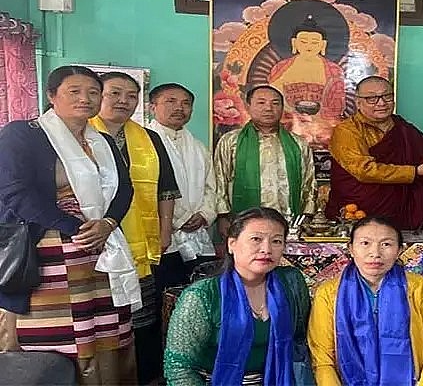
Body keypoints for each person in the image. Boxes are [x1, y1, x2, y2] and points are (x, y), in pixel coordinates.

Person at [0, 65, 138, 384]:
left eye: (93, 92)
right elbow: (13, 191)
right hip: (47, 248)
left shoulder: (102, 140)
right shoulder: (23, 134)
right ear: (52, 96)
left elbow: (125, 188)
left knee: (101, 327)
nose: (85, 99)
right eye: (74, 92)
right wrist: (74, 227)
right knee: (58, 334)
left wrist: (108, 222)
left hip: (100, 249)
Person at [89, 71, 181, 384]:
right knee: (100, 313)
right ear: (98, 95)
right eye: (115, 93)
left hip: (140, 240)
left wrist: (165, 228)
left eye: (131, 95)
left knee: (140, 314)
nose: (124, 101)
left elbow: (166, 189)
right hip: (95, 240)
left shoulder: (148, 139)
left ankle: (142, 375)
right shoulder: (80, 135)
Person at [164, 207, 311, 385]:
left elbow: (299, 341)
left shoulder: (291, 282)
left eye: (277, 241)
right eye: (256, 239)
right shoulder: (201, 296)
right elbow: (179, 368)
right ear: (231, 244)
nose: (266, 249)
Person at [308, 216, 423, 385]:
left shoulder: (419, 288)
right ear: (351, 249)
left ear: (400, 249)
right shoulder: (328, 293)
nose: (375, 253)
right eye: (365, 243)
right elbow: (322, 357)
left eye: (386, 244)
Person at [326, 76, 423, 230]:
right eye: (372, 98)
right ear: (358, 102)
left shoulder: (404, 129)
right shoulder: (347, 131)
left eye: (387, 96)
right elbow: (365, 170)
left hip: (403, 212)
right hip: (360, 213)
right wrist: (415, 171)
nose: (381, 103)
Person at [214, 85, 317, 239]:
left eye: (275, 103)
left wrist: (307, 215)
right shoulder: (231, 141)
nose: (269, 108)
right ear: (248, 107)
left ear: (282, 108)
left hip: (288, 221)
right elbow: (220, 179)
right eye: (261, 103)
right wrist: (222, 216)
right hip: (242, 220)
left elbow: (308, 181)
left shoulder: (298, 144)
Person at [147, 83, 217, 289]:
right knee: (163, 295)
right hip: (162, 235)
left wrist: (205, 214)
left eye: (186, 103)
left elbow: (211, 187)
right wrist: (181, 218)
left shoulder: (198, 147)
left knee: (199, 293)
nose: (179, 108)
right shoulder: (143, 143)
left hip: (197, 232)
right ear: (152, 107)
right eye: (171, 101)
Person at [269, 15, 346, 122]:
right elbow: (273, 96)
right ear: (294, 42)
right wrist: (292, 113)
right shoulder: (280, 68)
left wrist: (317, 118)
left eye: (314, 42)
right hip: (288, 119)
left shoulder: (334, 70)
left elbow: (336, 103)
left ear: (323, 45)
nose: (308, 46)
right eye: (304, 42)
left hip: (322, 122)